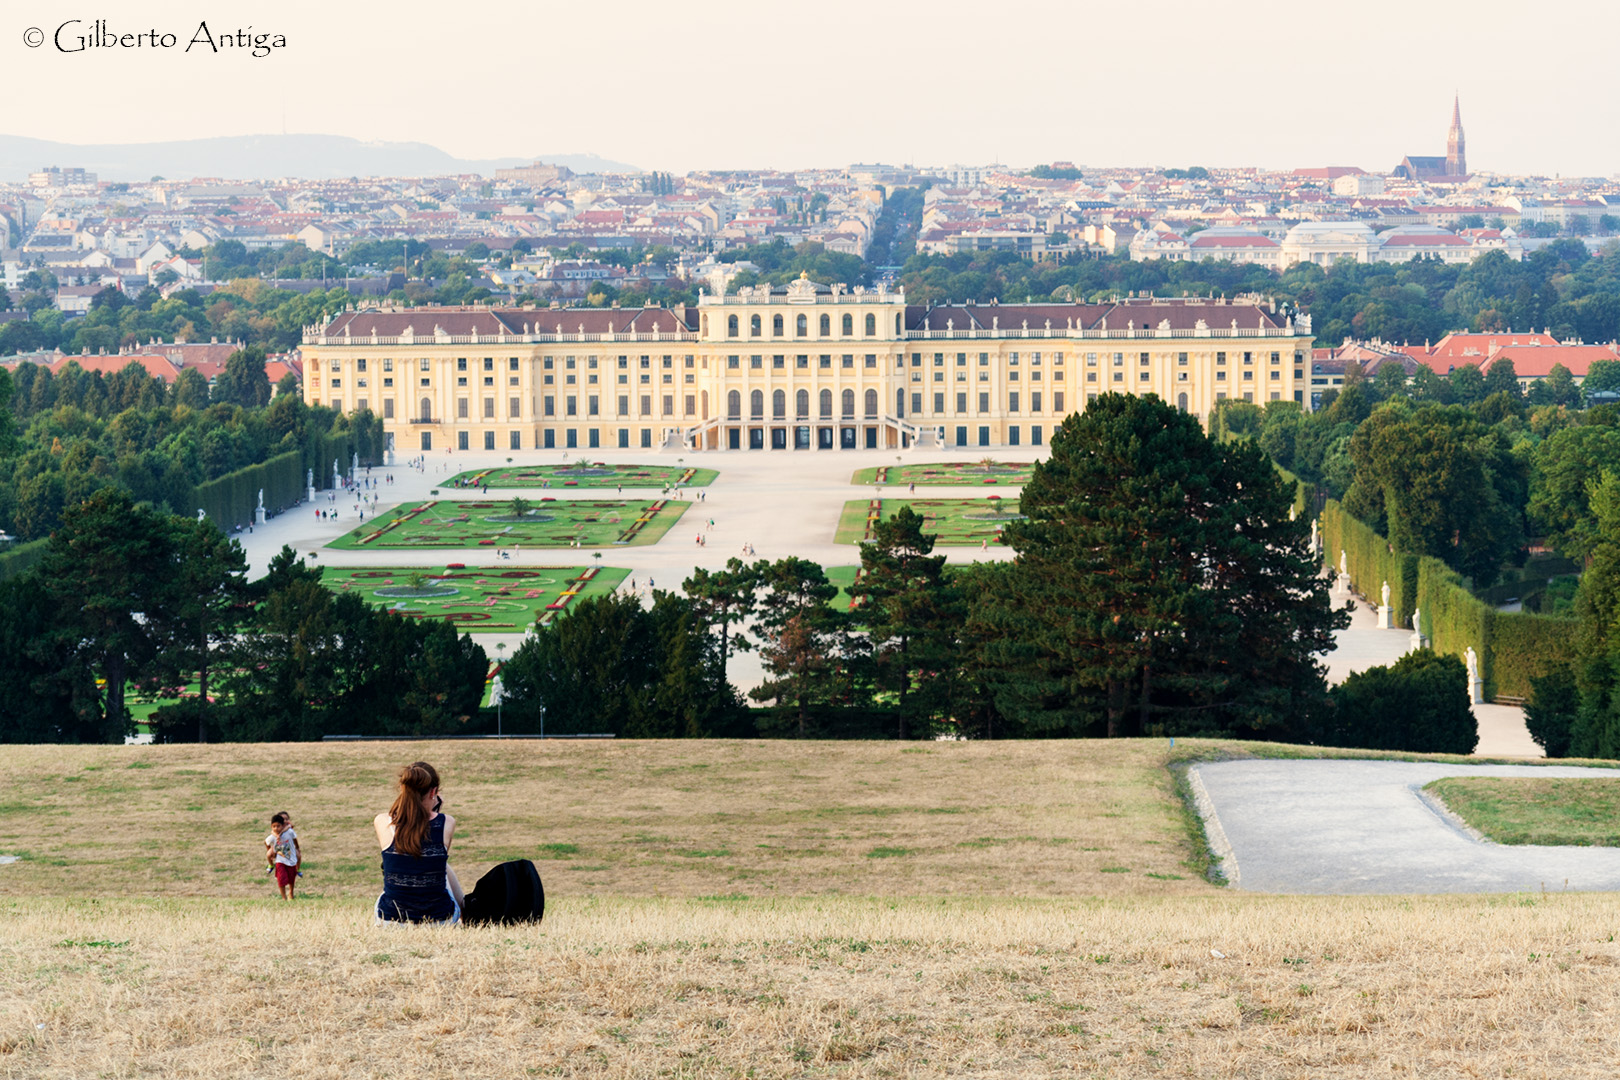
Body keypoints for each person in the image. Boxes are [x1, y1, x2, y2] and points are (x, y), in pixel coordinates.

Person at [374, 761, 463, 924]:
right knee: (443, 867)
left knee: (385, 892)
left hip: (391, 921)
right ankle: (465, 911)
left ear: (402, 789)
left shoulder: (382, 821)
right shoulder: (447, 822)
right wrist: (436, 810)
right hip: (439, 921)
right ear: (434, 792)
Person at [265, 812, 301, 900]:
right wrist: (271, 851)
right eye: (274, 826)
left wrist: (297, 847)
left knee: (291, 879)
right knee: (281, 879)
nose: (276, 828)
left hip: (291, 860)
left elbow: (295, 838)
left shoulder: (289, 831)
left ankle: (291, 894)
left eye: (278, 826)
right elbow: (266, 841)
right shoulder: (273, 835)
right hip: (280, 861)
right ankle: (284, 897)